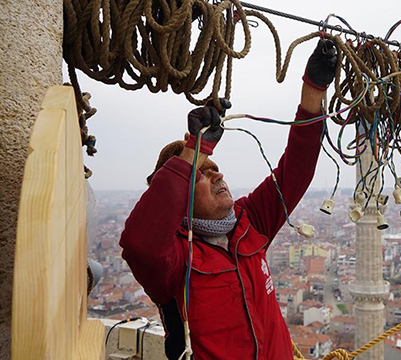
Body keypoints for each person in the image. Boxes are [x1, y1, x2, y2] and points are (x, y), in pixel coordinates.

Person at [119, 38, 338, 360]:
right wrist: (195, 149)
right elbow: (140, 242)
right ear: (178, 193)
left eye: (216, 170)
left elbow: (297, 169)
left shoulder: (251, 221)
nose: (218, 176)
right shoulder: (173, 259)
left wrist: (315, 89)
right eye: (202, 174)